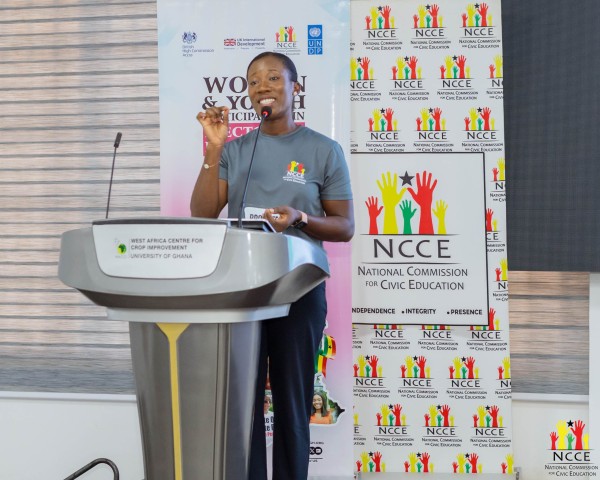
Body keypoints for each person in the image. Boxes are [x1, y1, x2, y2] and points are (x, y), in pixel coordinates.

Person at [191, 51, 354, 480]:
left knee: (292, 401)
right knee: (242, 402)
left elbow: (345, 226)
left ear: (295, 87)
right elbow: (202, 213)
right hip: (243, 292)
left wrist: (300, 218)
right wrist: (214, 148)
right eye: (254, 81)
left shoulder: (323, 150)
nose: (262, 87)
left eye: (273, 78)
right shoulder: (235, 150)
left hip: (299, 290)